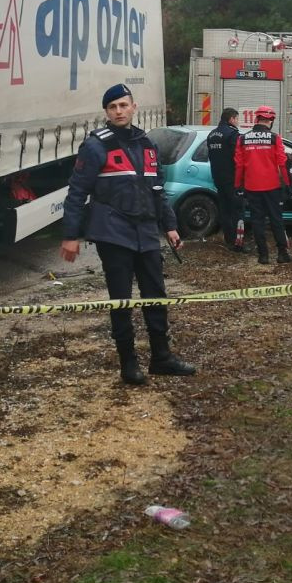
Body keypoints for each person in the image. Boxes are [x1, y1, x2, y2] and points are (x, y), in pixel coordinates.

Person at [61, 84, 195, 386]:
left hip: (146, 231)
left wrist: (170, 226)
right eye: (113, 107)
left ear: (134, 107)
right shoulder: (96, 146)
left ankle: (162, 357)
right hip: (113, 232)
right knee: (120, 301)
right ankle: (129, 363)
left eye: (123, 105)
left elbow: (157, 188)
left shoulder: (147, 144)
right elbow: (77, 192)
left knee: (156, 295)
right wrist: (71, 235)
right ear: (107, 112)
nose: (119, 111)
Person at [234, 105, 292, 265]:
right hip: (272, 186)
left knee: (257, 221)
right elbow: (282, 163)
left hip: (252, 187)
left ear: (256, 119)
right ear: (271, 121)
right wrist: (286, 183)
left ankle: (263, 255)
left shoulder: (242, 139)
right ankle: (282, 254)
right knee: (276, 220)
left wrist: (238, 184)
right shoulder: (275, 138)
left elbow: (239, 165)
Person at [206, 108, 245, 252]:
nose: (238, 122)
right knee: (237, 210)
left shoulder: (211, 135)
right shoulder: (233, 135)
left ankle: (229, 239)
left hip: (218, 177)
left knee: (225, 210)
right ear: (231, 119)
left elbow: (210, 156)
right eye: (237, 119)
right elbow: (239, 157)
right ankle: (238, 243)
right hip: (233, 178)